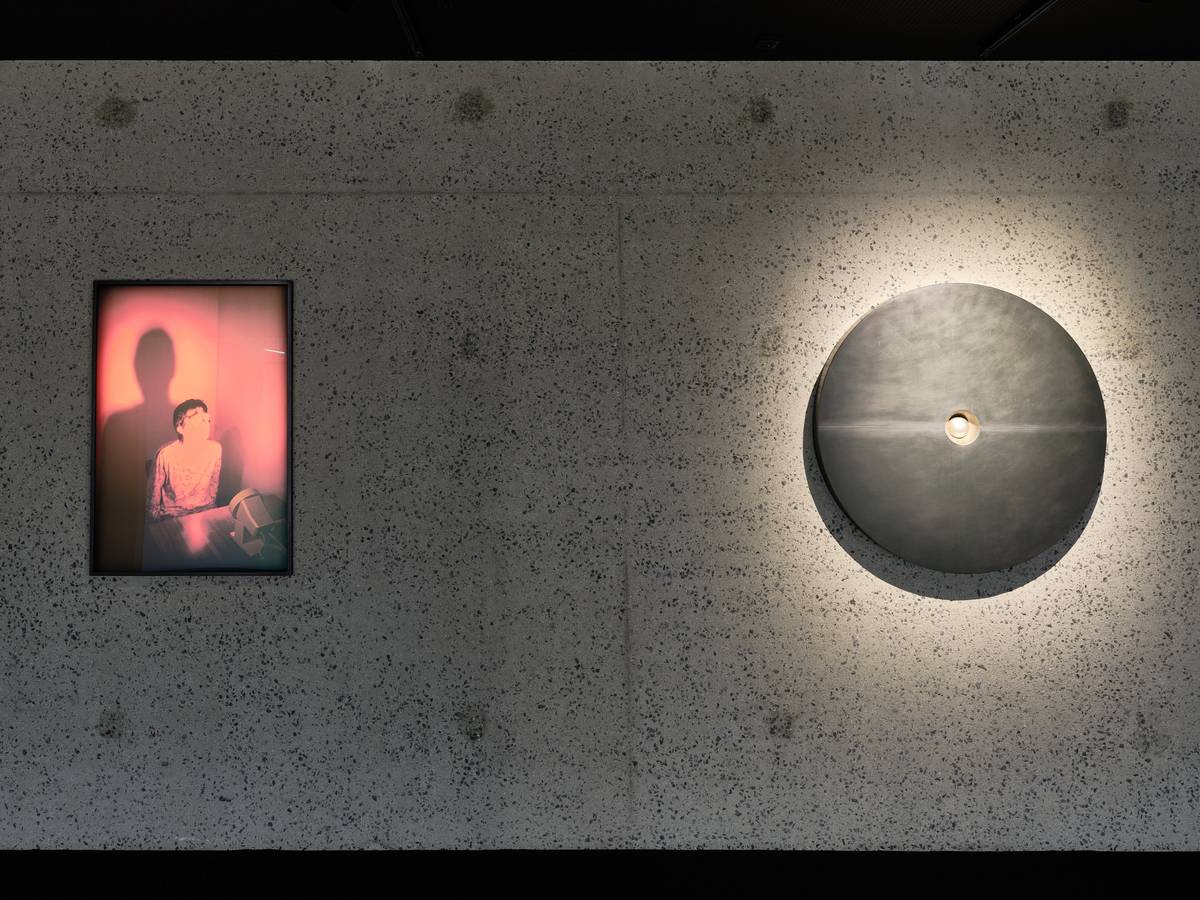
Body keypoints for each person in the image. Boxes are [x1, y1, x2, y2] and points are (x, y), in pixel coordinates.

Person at [146, 399, 223, 521]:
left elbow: (213, 490)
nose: (205, 424)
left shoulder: (215, 450)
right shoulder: (166, 454)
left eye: (206, 419)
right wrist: (155, 525)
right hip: (173, 514)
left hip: (204, 510)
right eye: (197, 420)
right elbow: (152, 500)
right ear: (180, 428)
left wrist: (211, 513)